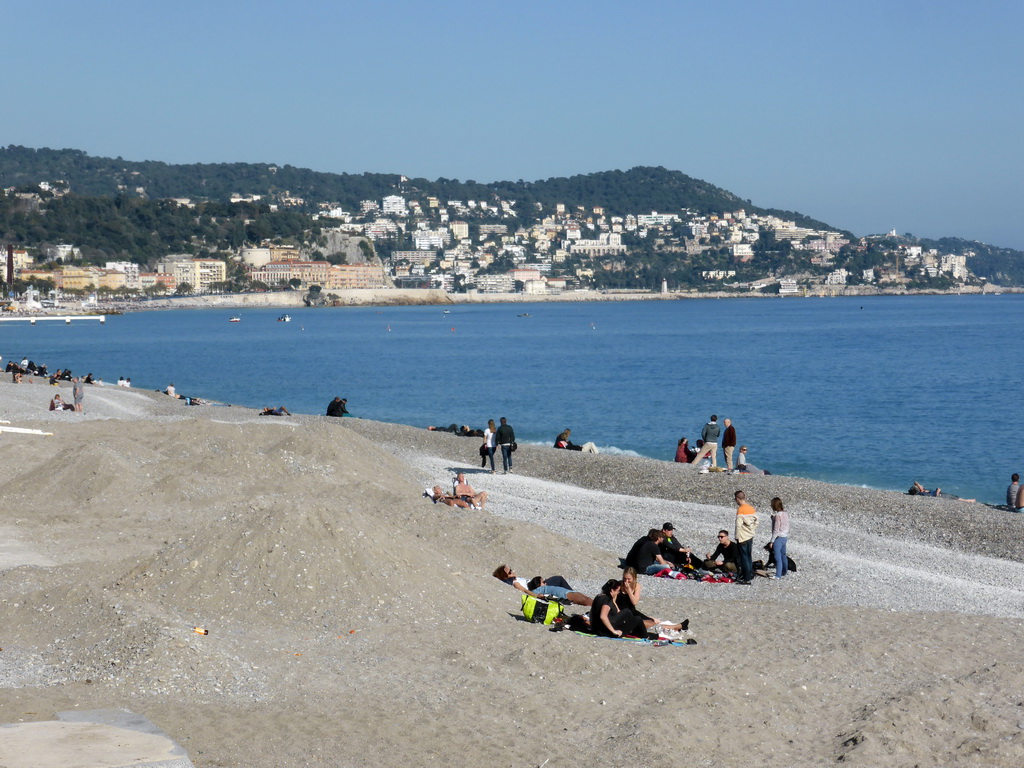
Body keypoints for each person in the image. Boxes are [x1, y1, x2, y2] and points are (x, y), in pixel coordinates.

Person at [617, 567, 690, 633]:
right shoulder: (619, 585)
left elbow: (635, 602)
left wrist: (629, 591)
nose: (626, 581)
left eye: (629, 579)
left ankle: (675, 627)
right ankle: (676, 627)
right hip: (623, 613)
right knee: (648, 624)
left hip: (632, 611)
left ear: (634, 578)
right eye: (625, 579)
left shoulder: (636, 585)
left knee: (652, 621)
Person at [492, 565, 592, 606]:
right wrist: (536, 595)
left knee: (558, 579)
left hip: (536, 584)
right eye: (510, 571)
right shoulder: (515, 582)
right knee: (559, 580)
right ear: (506, 576)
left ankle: (571, 595)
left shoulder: (515, 579)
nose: (513, 571)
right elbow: (525, 590)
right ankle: (572, 596)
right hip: (537, 588)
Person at [734, 490, 759, 585]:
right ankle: (749, 575)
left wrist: (737, 536)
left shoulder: (740, 509)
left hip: (742, 536)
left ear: (737, 499)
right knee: (749, 556)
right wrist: (752, 529)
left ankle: (746, 578)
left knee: (744, 558)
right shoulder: (751, 508)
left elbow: (738, 525)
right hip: (750, 535)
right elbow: (757, 521)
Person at [767, 497, 790, 579]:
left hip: (778, 538)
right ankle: (784, 571)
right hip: (785, 537)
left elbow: (776, 530)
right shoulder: (785, 513)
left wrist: (771, 541)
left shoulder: (777, 515)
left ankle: (778, 575)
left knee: (777, 557)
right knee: (783, 555)